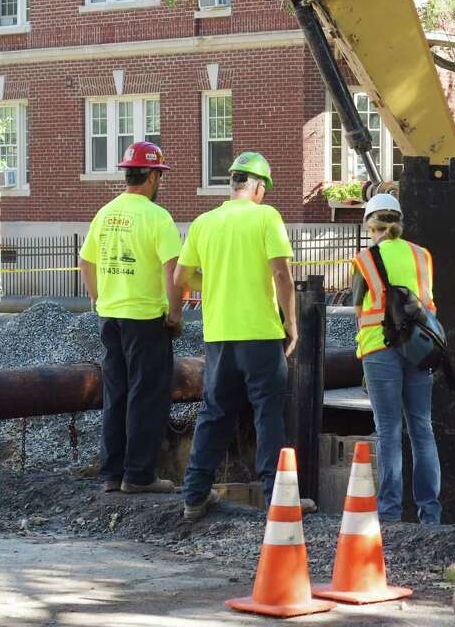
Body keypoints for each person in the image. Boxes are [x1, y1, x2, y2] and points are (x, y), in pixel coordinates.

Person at [176, 151, 297, 521]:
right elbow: (281, 275)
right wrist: (292, 323)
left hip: (220, 337)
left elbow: (181, 279)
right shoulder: (266, 217)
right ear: (259, 187)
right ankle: (277, 499)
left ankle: (194, 496)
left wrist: (211, 281)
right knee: (268, 415)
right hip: (260, 335)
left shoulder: (204, 222)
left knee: (214, 413)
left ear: (233, 184)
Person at [78, 141, 183, 495]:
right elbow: (173, 270)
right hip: (145, 318)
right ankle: (139, 475)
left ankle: (112, 474)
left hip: (109, 317)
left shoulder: (106, 212)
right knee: (147, 394)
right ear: (153, 176)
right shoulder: (157, 217)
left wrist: (96, 297)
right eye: (160, 176)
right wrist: (175, 313)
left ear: (128, 174)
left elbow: (85, 261)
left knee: (116, 393)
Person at [351, 193, 442, 524]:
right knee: (422, 428)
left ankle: (388, 515)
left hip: (379, 350)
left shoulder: (366, 260)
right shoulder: (422, 256)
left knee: (388, 430)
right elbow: (428, 304)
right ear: (400, 223)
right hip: (419, 350)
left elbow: (360, 311)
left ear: (369, 225)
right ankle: (430, 514)